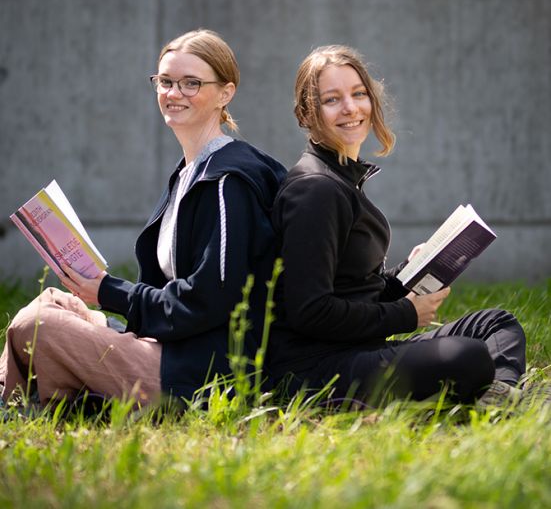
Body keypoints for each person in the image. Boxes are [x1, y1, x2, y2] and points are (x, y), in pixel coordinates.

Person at [0, 29, 286, 410]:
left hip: (202, 372)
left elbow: (210, 302)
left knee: (36, 328)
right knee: (50, 304)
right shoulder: (191, 171)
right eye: (165, 82)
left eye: (191, 83)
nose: (173, 93)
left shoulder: (227, 182)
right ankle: (26, 401)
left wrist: (109, 291)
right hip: (171, 344)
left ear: (225, 93)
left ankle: (16, 403)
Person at [269, 44, 528, 407]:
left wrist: (406, 274)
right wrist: (405, 314)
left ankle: (497, 397)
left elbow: (351, 291)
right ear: (307, 114)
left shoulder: (342, 179)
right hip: (316, 370)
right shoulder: (315, 190)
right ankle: (494, 394)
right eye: (332, 99)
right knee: (465, 356)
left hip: (358, 347)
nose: (350, 108)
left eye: (358, 94)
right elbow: (310, 312)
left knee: (496, 324)